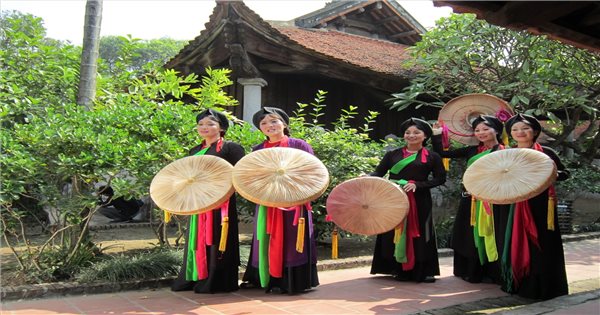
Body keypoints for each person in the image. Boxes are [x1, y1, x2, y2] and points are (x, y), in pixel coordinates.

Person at [240, 107, 319, 294]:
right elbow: (252, 176)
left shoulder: (298, 145)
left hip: (294, 202)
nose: (269, 125)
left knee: (293, 241)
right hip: (267, 201)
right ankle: (268, 278)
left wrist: (295, 193)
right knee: (264, 239)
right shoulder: (258, 150)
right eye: (264, 123)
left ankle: (294, 281)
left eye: (274, 120)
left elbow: (312, 171)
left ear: (284, 123)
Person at [171, 108, 245, 293]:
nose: (204, 127)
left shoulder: (231, 148)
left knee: (217, 237)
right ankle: (193, 275)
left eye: (210, 123)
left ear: (221, 128)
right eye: (201, 124)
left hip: (221, 204)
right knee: (195, 238)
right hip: (198, 202)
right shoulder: (195, 150)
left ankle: (216, 280)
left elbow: (241, 175)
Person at [431, 115, 509, 284]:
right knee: (468, 234)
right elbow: (441, 153)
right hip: (471, 199)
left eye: (486, 129)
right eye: (477, 130)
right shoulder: (471, 150)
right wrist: (437, 133)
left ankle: (493, 272)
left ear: (496, 130)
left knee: (491, 234)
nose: (481, 133)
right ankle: (471, 271)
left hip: (494, 200)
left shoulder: (506, 151)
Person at [370, 118, 446, 283]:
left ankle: (424, 270)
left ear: (425, 136)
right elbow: (378, 174)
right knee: (393, 230)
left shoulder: (432, 156)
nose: (411, 135)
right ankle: (395, 268)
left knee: (421, 232)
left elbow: (440, 179)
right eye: (408, 133)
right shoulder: (392, 154)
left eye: (416, 132)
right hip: (394, 198)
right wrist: (366, 179)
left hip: (419, 200)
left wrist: (418, 185)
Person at [502, 113, 570, 300]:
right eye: (515, 129)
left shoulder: (546, 152)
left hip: (542, 205)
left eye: (525, 128)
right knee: (516, 241)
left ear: (535, 132)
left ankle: (547, 286)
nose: (520, 132)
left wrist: (553, 174)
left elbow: (565, 172)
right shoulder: (507, 153)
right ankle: (519, 283)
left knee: (543, 243)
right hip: (515, 204)